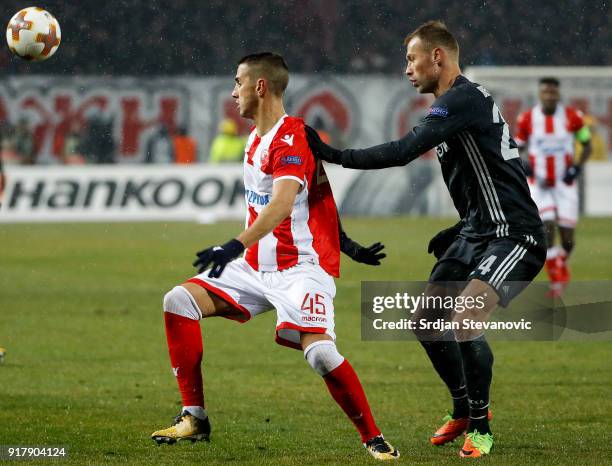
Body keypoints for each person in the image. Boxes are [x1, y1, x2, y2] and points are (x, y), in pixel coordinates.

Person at [306, 21, 546, 458]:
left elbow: (402, 151)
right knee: (427, 320)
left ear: (438, 57)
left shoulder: (462, 100)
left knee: (465, 320)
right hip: (478, 230)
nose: (407, 69)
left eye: (412, 59)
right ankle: (461, 408)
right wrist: (460, 226)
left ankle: (481, 426)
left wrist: (332, 154)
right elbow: (492, 174)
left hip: (514, 234)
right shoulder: (458, 106)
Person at [151, 52, 398, 461]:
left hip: (300, 270)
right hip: (253, 268)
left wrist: (234, 243)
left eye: (238, 82)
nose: (233, 92)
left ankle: (372, 436)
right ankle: (194, 417)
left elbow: (282, 204)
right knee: (177, 301)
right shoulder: (254, 139)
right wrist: (347, 242)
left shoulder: (290, 138)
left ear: (260, 87)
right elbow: (315, 196)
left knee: (320, 353)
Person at [515, 78, 592, 297]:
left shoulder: (573, 118)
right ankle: (557, 282)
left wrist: (576, 167)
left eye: (552, 93)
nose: (549, 96)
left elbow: (586, 144)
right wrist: (525, 166)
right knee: (547, 227)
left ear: (558, 95)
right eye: (545, 92)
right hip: (538, 183)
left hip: (564, 183)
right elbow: (516, 148)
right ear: (540, 95)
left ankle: (559, 263)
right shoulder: (528, 119)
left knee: (568, 239)